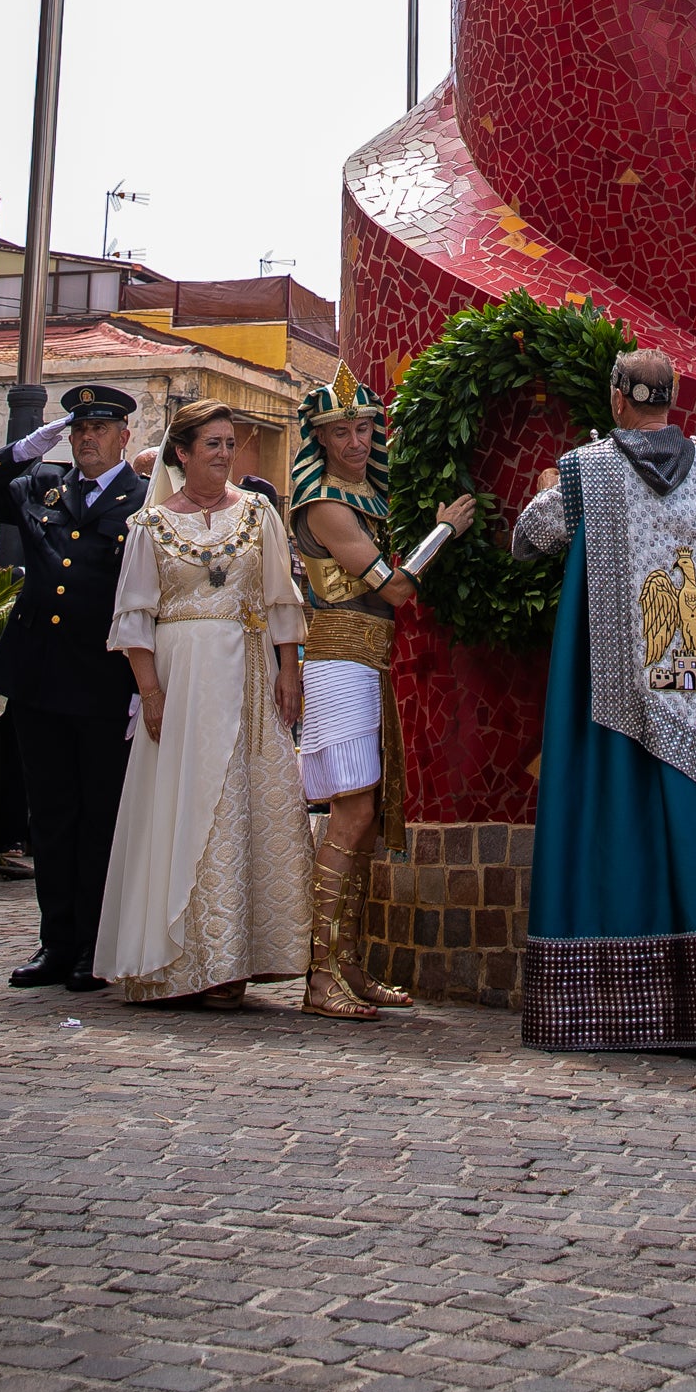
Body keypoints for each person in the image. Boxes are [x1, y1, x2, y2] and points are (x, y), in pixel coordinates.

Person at [509, 349, 696, 1054]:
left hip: (627, 690)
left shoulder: (589, 470)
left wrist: (542, 487)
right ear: (672, 401)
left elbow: (529, 539)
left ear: (619, 398)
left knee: (624, 818)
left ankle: (623, 1002)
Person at [94, 401, 310, 1006]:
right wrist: (152, 693)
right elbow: (135, 618)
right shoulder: (150, 526)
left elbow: (280, 597)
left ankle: (235, 960)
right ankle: (180, 959)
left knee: (241, 802)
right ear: (181, 453)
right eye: (210, 444)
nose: (223, 454)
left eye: (228, 443)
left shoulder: (259, 512)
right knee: (183, 803)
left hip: (246, 672)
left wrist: (288, 672)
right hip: (181, 678)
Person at [291, 363, 478, 1020]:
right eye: (342, 432)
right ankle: (321, 974)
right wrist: (445, 531)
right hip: (341, 657)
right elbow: (395, 589)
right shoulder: (328, 504)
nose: (357, 442)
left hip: (372, 660)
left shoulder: (366, 496)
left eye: (365, 428)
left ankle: (347, 964)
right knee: (352, 813)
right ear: (321, 439)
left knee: (366, 818)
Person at [0, 382, 146, 992]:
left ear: (124, 436)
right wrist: (23, 449)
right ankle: (54, 942)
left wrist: (147, 684)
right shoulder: (43, 487)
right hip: (38, 679)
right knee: (51, 817)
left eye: (99, 429)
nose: (87, 439)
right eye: (78, 430)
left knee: (101, 818)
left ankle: (94, 945)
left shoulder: (144, 502)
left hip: (105, 683)